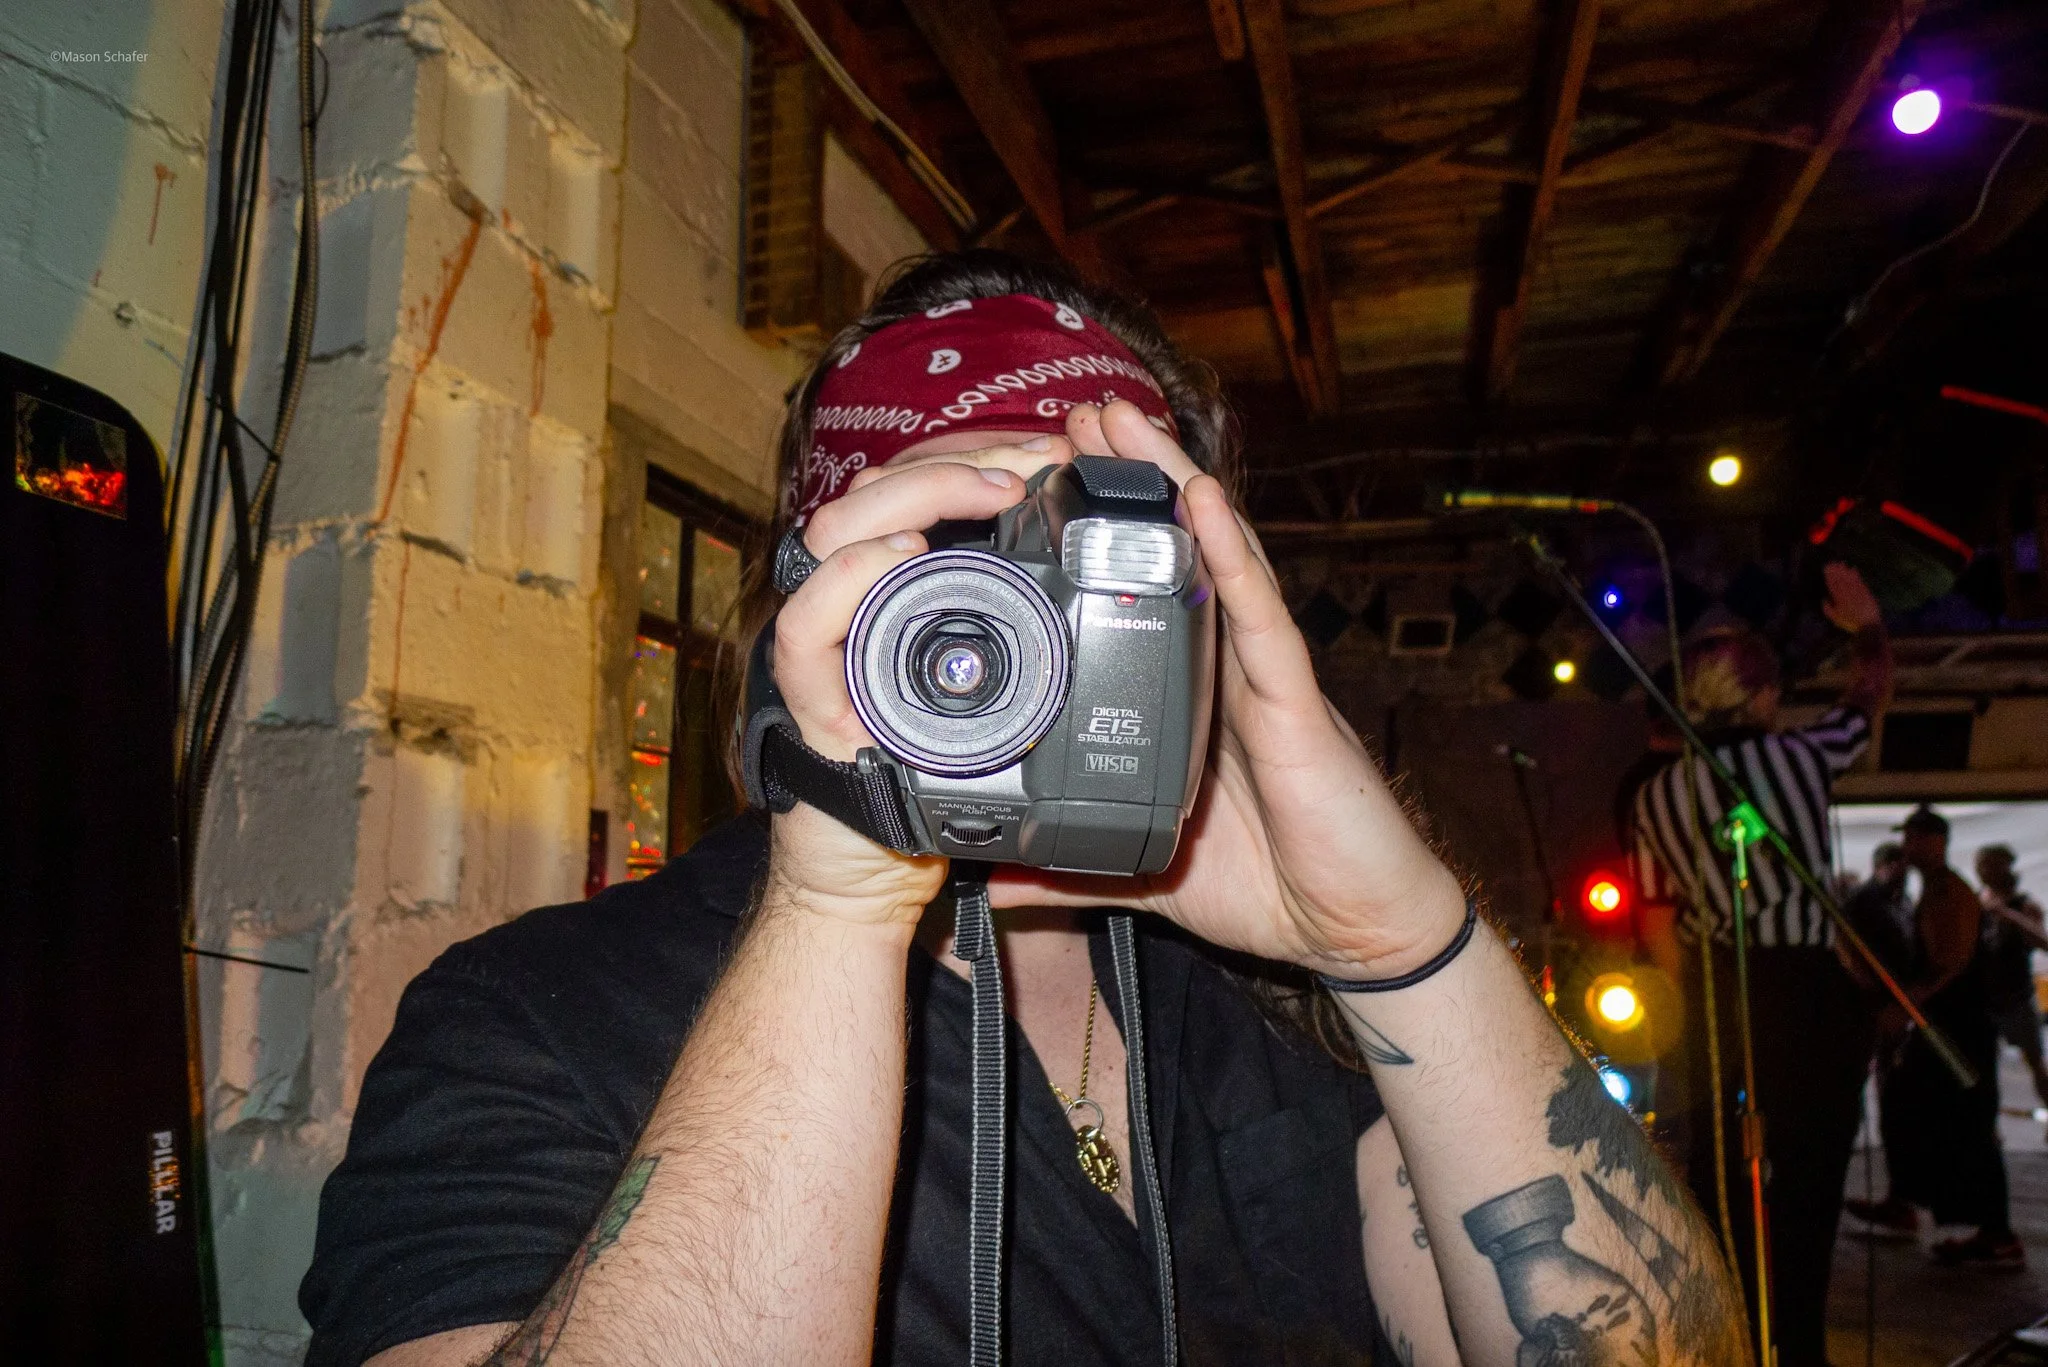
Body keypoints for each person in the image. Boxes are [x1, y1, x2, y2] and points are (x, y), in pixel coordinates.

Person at [298, 251, 1746, 1366]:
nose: (1017, 658)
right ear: (809, 621)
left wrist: (1400, 944)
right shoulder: (540, 1014)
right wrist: (839, 898)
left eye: (1086, 578)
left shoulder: (1299, 1024)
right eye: (952, 578)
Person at [1627, 585, 1891, 1367]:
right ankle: (1799, 1347)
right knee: (1808, 1196)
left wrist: (1687, 1041)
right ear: (1766, 695)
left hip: (1719, 999)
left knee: (1727, 1200)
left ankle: (1737, 1344)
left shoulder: (1656, 796)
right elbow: (1867, 701)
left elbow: (1657, 931)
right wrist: (1870, 628)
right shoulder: (1802, 757)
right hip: (1808, 997)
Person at [1850, 808, 2020, 1269]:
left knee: (1970, 1127)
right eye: (1906, 838)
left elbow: (1950, 963)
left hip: (1959, 1029)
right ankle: (1905, 1200)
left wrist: (1906, 1009)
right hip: (1942, 1025)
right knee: (1912, 1110)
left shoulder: (1951, 892)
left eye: (1916, 838)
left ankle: (1997, 1233)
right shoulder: (1930, 890)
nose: (1908, 847)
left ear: (1936, 841)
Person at [1978, 844, 2048, 1112]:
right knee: (1985, 1066)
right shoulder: (1978, 902)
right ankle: (1988, 1125)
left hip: (2017, 996)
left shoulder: (2024, 905)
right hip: (1986, 998)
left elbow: (2042, 940)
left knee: (2035, 1062)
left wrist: (2007, 915)